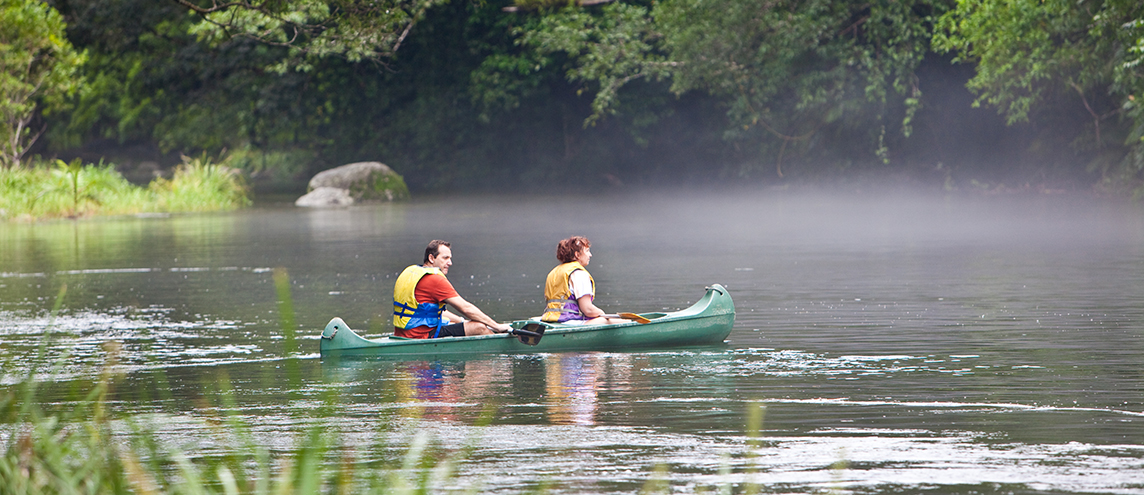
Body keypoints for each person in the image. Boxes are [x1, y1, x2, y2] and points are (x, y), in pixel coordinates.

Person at [393, 240, 513, 338]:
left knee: (461, 323)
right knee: (479, 327)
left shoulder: (411, 272)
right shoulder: (434, 279)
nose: (450, 263)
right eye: (445, 258)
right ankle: (497, 361)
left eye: (450, 258)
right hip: (421, 335)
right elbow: (466, 308)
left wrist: (461, 321)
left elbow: (430, 311)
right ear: (431, 258)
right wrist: (496, 326)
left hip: (403, 333)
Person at [541, 236, 626, 325]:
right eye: (587, 251)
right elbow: (588, 310)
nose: (590, 255)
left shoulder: (553, 272)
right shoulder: (578, 273)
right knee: (624, 322)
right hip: (569, 322)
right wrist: (602, 314)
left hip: (549, 320)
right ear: (577, 255)